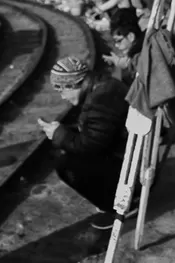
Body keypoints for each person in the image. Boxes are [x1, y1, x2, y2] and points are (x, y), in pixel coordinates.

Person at [37, 56, 136, 230]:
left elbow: (90, 146)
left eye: (61, 90)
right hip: (130, 155)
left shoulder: (101, 99)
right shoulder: (106, 86)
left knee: (65, 164)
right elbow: (98, 132)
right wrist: (64, 131)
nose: (62, 97)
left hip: (132, 171)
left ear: (73, 84)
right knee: (68, 154)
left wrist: (59, 134)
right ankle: (116, 197)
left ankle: (117, 206)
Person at [102, 9, 144, 85]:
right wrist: (117, 61)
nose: (116, 45)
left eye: (119, 41)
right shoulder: (142, 47)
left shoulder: (140, 60)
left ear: (131, 37)